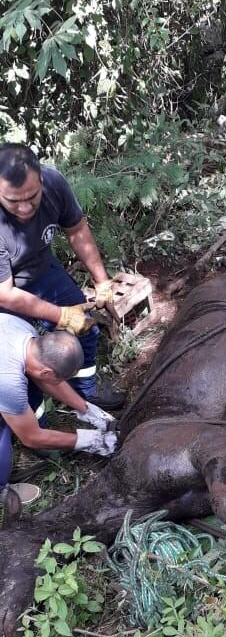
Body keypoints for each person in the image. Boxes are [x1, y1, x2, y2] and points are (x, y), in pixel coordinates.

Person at [0, 142, 124, 410]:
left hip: (41, 269)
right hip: (5, 295)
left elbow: (77, 231)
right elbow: (6, 294)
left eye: (32, 197)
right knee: (26, 364)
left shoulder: (54, 184)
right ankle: (37, 426)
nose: (24, 208)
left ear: (41, 180)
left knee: (86, 328)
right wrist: (61, 316)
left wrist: (102, 280)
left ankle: (85, 391)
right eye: (13, 201)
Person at [0, 314, 118, 504]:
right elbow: (31, 437)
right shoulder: (8, 381)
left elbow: (44, 378)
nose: (60, 383)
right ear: (46, 372)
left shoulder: (27, 335)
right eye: (59, 378)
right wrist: (91, 441)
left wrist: (87, 409)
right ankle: (1, 488)